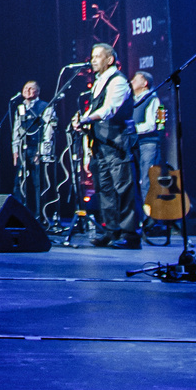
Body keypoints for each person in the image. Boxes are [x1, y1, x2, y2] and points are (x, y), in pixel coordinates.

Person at [73, 44, 137, 248]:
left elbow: (110, 109)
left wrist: (87, 118)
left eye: (98, 57)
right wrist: (82, 124)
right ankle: (112, 231)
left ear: (109, 60)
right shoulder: (99, 82)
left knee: (123, 188)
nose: (93, 60)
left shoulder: (117, 81)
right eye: (92, 56)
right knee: (105, 190)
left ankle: (130, 235)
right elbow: (94, 113)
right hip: (100, 144)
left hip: (116, 142)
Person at [7, 82, 53, 219]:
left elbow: (48, 130)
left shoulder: (45, 106)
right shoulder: (20, 107)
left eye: (31, 88)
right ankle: (18, 215)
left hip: (37, 148)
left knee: (38, 182)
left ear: (38, 91)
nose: (27, 90)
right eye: (25, 88)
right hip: (23, 148)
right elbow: (16, 130)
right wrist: (15, 150)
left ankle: (40, 216)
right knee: (19, 183)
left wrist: (42, 151)